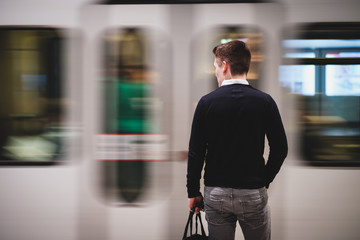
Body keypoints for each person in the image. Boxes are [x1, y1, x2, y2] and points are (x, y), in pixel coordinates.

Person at [186, 40, 288, 240]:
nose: (215, 72)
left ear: (224, 66)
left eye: (215, 66)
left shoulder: (206, 103)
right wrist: (264, 179)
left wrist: (193, 191)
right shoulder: (265, 101)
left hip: (216, 194)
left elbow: (196, 151)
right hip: (252, 193)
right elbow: (281, 149)